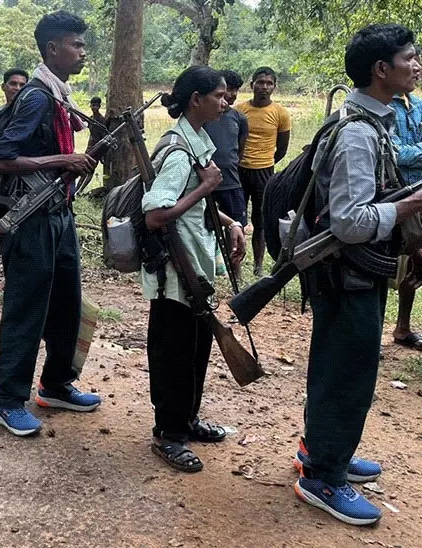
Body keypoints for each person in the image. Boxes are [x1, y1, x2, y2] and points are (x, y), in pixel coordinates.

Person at [293, 24, 422, 526]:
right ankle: (323, 477)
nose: (417, 65)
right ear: (381, 69)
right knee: (349, 372)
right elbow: (349, 222)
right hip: (348, 275)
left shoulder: (371, 121)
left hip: (350, 274)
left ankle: (322, 450)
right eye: (409, 57)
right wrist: (409, 204)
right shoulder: (357, 134)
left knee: (336, 366)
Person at [0, 10, 101, 436]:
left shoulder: (59, 94)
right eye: (76, 44)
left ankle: (55, 385)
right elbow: (2, 159)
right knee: (27, 309)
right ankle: (7, 400)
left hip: (59, 214)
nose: (83, 52)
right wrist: (63, 159)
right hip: (30, 220)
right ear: (53, 49)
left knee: (67, 304)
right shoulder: (37, 97)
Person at [142, 66, 246, 473]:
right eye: (219, 95)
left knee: (196, 348)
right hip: (174, 274)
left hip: (196, 268)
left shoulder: (197, 141)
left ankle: (186, 419)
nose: (225, 101)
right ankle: (168, 433)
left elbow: (198, 204)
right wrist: (205, 187)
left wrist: (231, 223)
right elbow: (155, 215)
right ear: (196, 99)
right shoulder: (178, 151)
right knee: (174, 353)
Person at [236, 67, 291, 276]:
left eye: (269, 83)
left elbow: (282, 148)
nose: (264, 87)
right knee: (237, 219)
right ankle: (236, 265)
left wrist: (265, 161)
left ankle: (258, 266)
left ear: (274, 87)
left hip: (264, 172)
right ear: (252, 85)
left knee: (260, 221)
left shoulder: (280, 113)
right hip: (239, 170)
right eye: (260, 82)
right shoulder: (239, 111)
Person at [390, 54, 422, 350]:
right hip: (395, 195)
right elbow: (396, 155)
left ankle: (403, 327)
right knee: (396, 260)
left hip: (419, 194)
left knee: (416, 263)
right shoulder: (384, 108)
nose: (417, 68)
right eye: (411, 60)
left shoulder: (419, 106)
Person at [204, 69, 249, 280]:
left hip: (231, 182)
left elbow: (239, 150)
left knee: (236, 228)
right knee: (207, 225)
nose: (232, 95)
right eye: (227, 89)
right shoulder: (207, 116)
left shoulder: (239, 118)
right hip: (207, 184)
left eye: (235, 90)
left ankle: (236, 272)